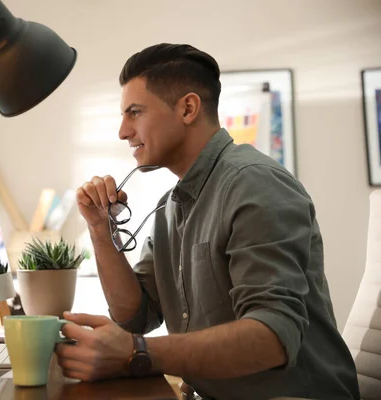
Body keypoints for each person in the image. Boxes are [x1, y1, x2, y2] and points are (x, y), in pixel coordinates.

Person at [54, 43, 361, 399]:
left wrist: (138, 352)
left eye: (134, 112)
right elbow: (137, 316)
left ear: (187, 108)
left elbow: (274, 336)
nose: (123, 131)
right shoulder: (170, 206)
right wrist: (99, 230)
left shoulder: (254, 183)